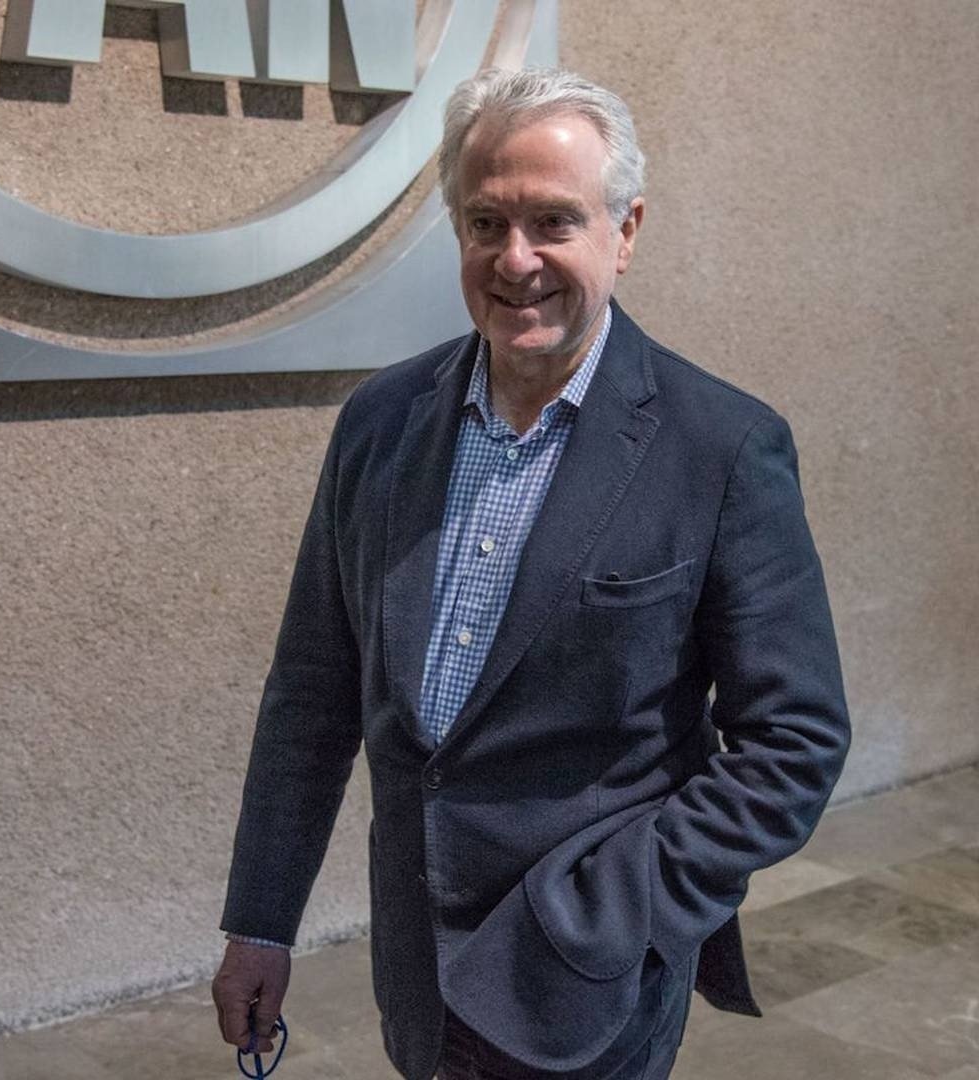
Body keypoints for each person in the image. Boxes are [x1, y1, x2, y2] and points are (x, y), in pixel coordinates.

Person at [211, 67, 849, 1080]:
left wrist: (624, 905)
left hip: (591, 986)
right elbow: (312, 695)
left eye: (553, 221)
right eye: (485, 224)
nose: (516, 260)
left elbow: (796, 743)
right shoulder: (380, 425)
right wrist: (261, 922)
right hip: (420, 972)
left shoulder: (720, 447)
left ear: (625, 230)